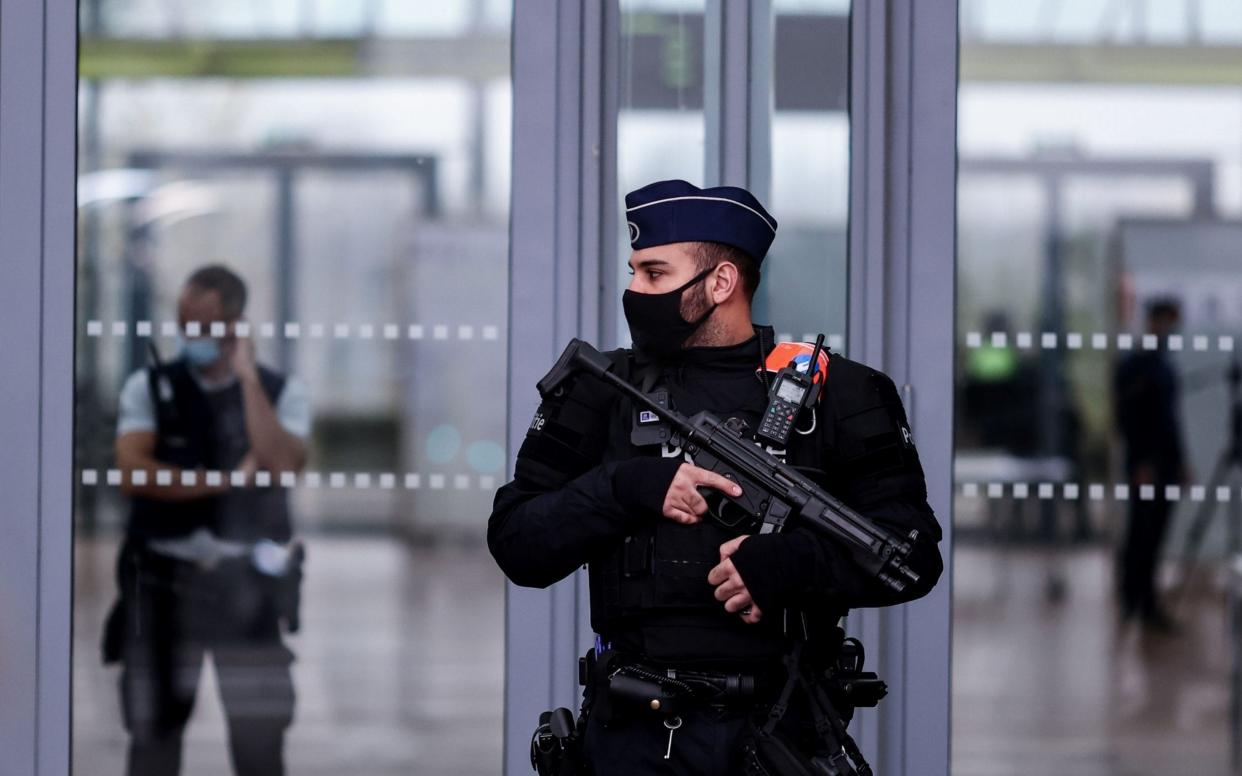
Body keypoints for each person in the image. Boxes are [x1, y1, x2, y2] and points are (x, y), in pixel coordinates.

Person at [489, 179, 943, 774]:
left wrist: (792, 565)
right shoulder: (599, 391)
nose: (633, 291)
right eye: (634, 273)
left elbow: (912, 556)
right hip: (634, 735)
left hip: (781, 733)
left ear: (721, 283)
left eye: (653, 274)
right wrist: (628, 487)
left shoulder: (844, 394)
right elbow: (518, 543)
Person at [106, 265, 311, 776]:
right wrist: (225, 482)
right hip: (162, 584)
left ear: (236, 325)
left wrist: (245, 378)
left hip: (249, 589)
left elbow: (281, 461)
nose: (192, 335)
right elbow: (133, 472)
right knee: (153, 738)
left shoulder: (279, 391)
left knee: (258, 741)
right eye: (184, 323)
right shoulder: (149, 386)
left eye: (205, 325)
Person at [1114, 297, 1186, 631]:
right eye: (1167, 322)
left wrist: (1181, 461)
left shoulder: (1164, 366)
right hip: (1145, 466)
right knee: (1139, 535)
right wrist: (1141, 463)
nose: (1171, 330)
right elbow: (1129, 420)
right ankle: (1133, 601)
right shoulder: (1136, 366)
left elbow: (1170, 420)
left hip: (1165, 464)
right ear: (1153, 321)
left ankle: (1148, 604)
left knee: (1155, 536)